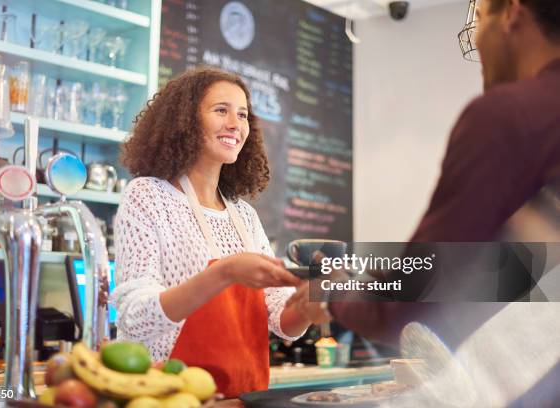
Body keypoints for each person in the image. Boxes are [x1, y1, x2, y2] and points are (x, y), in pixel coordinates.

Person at [326, 0, 560, 404]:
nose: (479, 48)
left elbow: (413, 304)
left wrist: (331, 291)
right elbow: (508, 272)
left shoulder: (509, 116)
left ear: (511, 13)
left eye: (479, 22)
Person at [110, 67, 330, 398]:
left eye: (242, 114)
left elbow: (280, 318)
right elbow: (134, 316)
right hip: (164, 395)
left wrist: (309, 307)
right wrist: (224, 273)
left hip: (236, 397)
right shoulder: (147, 196)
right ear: (185, 120)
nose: (235, 124)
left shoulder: (244, 216)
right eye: (221, 110)